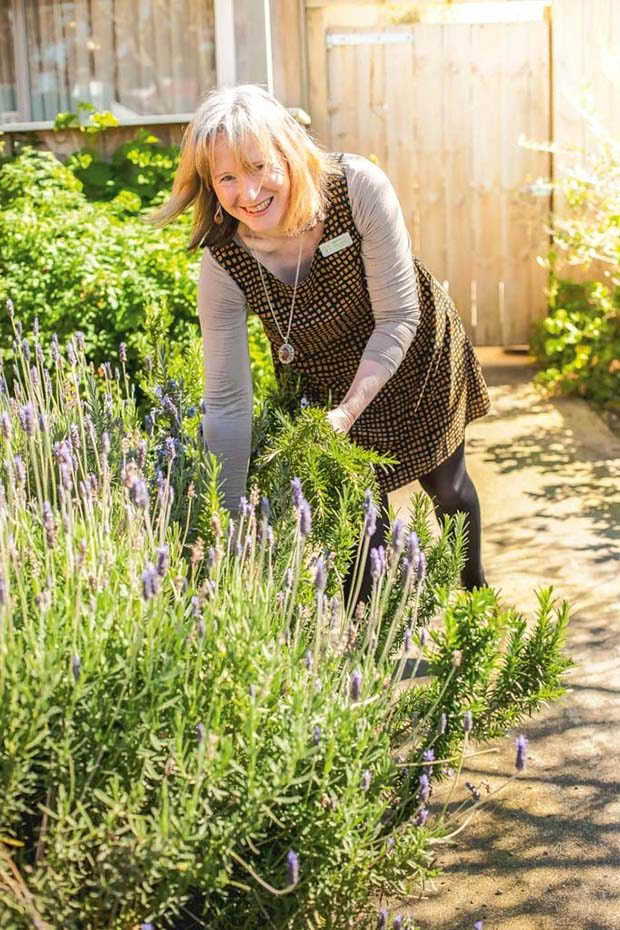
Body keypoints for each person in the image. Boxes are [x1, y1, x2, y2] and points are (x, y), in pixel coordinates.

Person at [151, 84, 491, 595]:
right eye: (227, 177)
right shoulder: (223, 262)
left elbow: (399, 316)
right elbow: (226, 402)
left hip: (412, 354)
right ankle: (365, 645)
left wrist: (346, 414)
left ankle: (474, 598)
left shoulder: (356, 188)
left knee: (448, 489)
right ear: (209, 183)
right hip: (322, 381)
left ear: (287, 151)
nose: (248, 192)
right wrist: (226, 524)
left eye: (259, 166)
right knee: (358, 523)